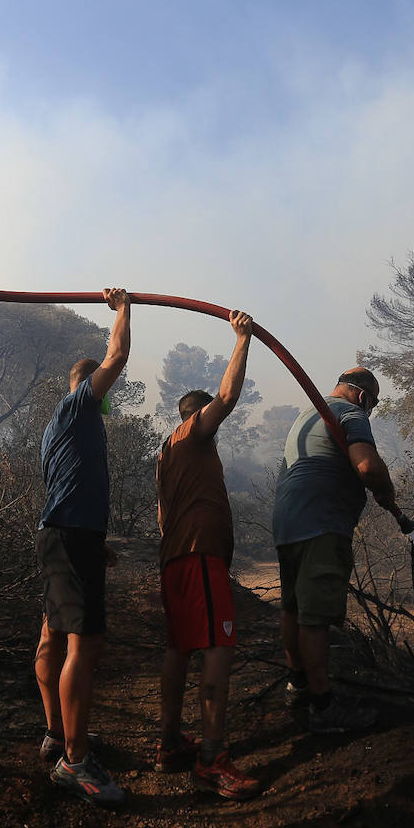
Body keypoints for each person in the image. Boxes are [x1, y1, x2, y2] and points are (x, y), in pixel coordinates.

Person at [154, 309, 262, 800]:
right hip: (198, 558)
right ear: (196, 417)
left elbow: (160, 519)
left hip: (177, 559)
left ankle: (170, 743)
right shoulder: (194, 435)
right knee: (218, 649)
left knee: (179, 648)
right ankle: (212, 758)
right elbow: (229, 397)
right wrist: (242, 340)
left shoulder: (168, 455)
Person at [272, 367, 412, 733]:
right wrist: (386, 490)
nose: (371, 412)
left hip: (288, 524)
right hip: (322, 524)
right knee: (314, 617)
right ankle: (323, 706)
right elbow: (367, 466)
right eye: (374, 406)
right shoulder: (351, 413)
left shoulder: (308, 414)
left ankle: (298, 684)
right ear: (364, 397)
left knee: (292, 607)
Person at [33, 287, 131, 807]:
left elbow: (71, 487)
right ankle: (75, 761)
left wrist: (96, 545)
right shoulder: (77, 409)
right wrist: (122, 309)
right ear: (92, 385)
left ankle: (56, 732)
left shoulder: (64, 427)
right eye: (106, 387)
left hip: (68, 537)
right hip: (68, 539)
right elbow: (117, 355)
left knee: (53, 636)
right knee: (82, 645)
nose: (111, 395)